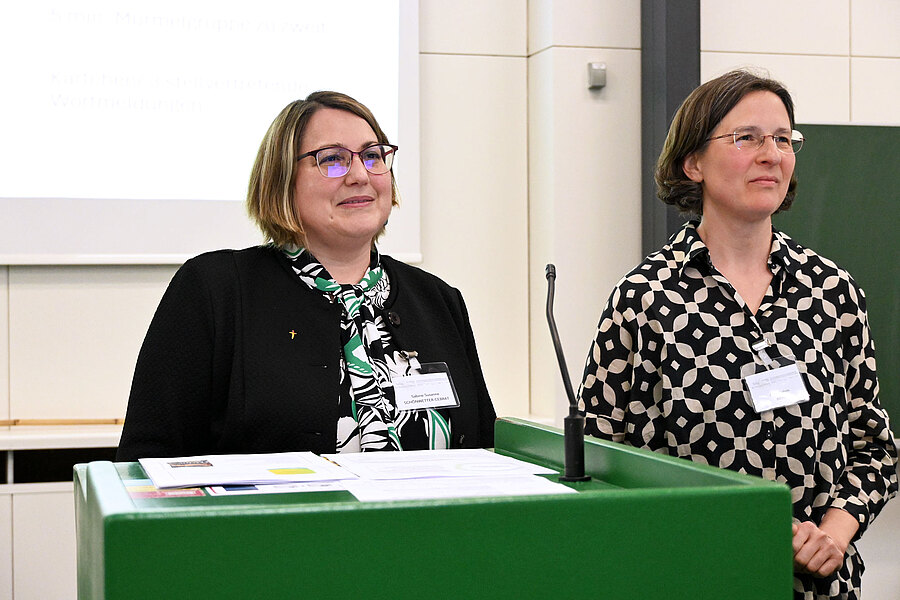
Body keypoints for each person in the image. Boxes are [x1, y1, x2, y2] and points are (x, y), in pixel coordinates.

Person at [577, 69, 897, 599]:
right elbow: (602, 457)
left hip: (817, 587)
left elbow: (873, 447)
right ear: (693, 162)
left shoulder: (832, 291)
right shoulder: (645, 299)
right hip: (691, 579)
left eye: (783, 139)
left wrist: (833, 535)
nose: (771, 154)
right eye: (746, 138)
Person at [118, 91, 496, 460]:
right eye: (332, 159)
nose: (360, 175)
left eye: (372, 155)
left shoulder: (438, 300)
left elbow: (484, 449)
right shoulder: (216, 290)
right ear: (282, 180)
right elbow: (147, 462)